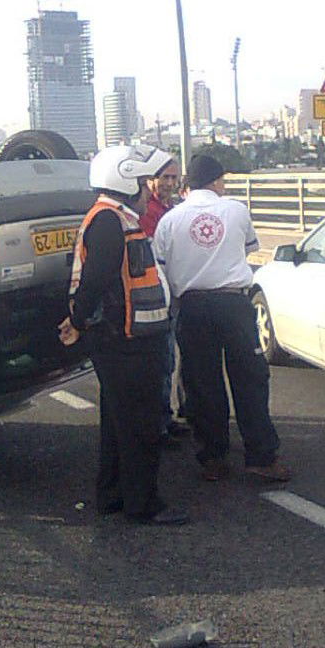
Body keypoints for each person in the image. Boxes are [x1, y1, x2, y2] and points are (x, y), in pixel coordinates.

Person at [59, 144, 188, 526]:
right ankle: (142, 503)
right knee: (140, 423)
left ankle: (113, 494)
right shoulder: (109, 221)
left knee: (118, 422)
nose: (149, 190)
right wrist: (78, 321)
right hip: (124, 339)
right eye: (143, 182)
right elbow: (97, 278)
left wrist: (80, 321)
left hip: (123, 337)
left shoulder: (116, 218)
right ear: (124, 180)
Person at [153, 153, 292, 483]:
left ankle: (213, 457)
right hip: (233, 305)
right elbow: (246, 248)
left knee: (202, 384)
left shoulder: (170, 220)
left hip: (191, 306)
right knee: (250, 380)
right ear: (216, 181)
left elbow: (160, 264)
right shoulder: (235, 210)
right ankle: (260, 455)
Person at [139, 158, 190, 443]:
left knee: (172, 360)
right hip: (157, 298)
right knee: (162, 360)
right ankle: (158, 424)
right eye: (165, 178)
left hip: (174, 291)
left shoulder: (171, 210)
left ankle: (167, 417)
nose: (170, 183)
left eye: (174, 178)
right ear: (151, 179)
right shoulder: (147, 212)